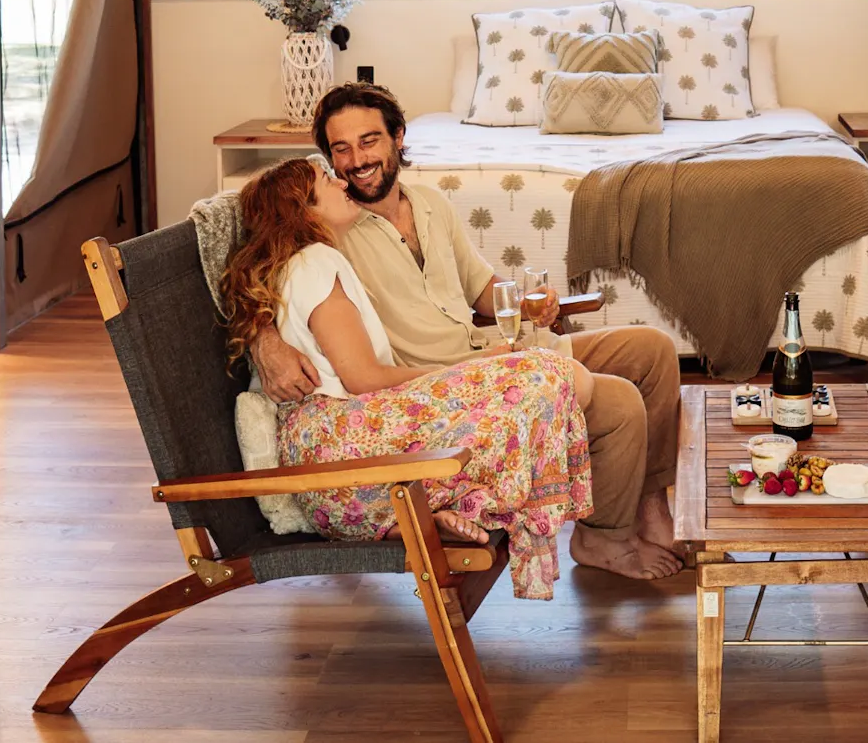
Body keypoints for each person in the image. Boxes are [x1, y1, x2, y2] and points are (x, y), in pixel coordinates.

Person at [252, 82, 683, 581]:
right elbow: (262, 258)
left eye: (369, 141)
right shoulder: (334, 234)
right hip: (442, 386)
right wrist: (265, 339)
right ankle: (603, 538)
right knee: (618, 402)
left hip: (489, 351)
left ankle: (651, 512)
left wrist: (526, 304)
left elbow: (482, 289)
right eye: (340, 150)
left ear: (397, 137)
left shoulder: (431, 203)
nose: (356, 160)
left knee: (653, 349)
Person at [221, 157, 594, 601]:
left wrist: (478, 370)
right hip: (346, 453)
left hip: (337, 492)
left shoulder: (299, 267)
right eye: (327, 179)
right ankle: (449, 501)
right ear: (303, 210)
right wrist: (466, 371)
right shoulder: (317, 262)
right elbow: (362, 377)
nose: (342, 181)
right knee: (549, 373)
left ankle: (426, 510)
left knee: (541, 373)